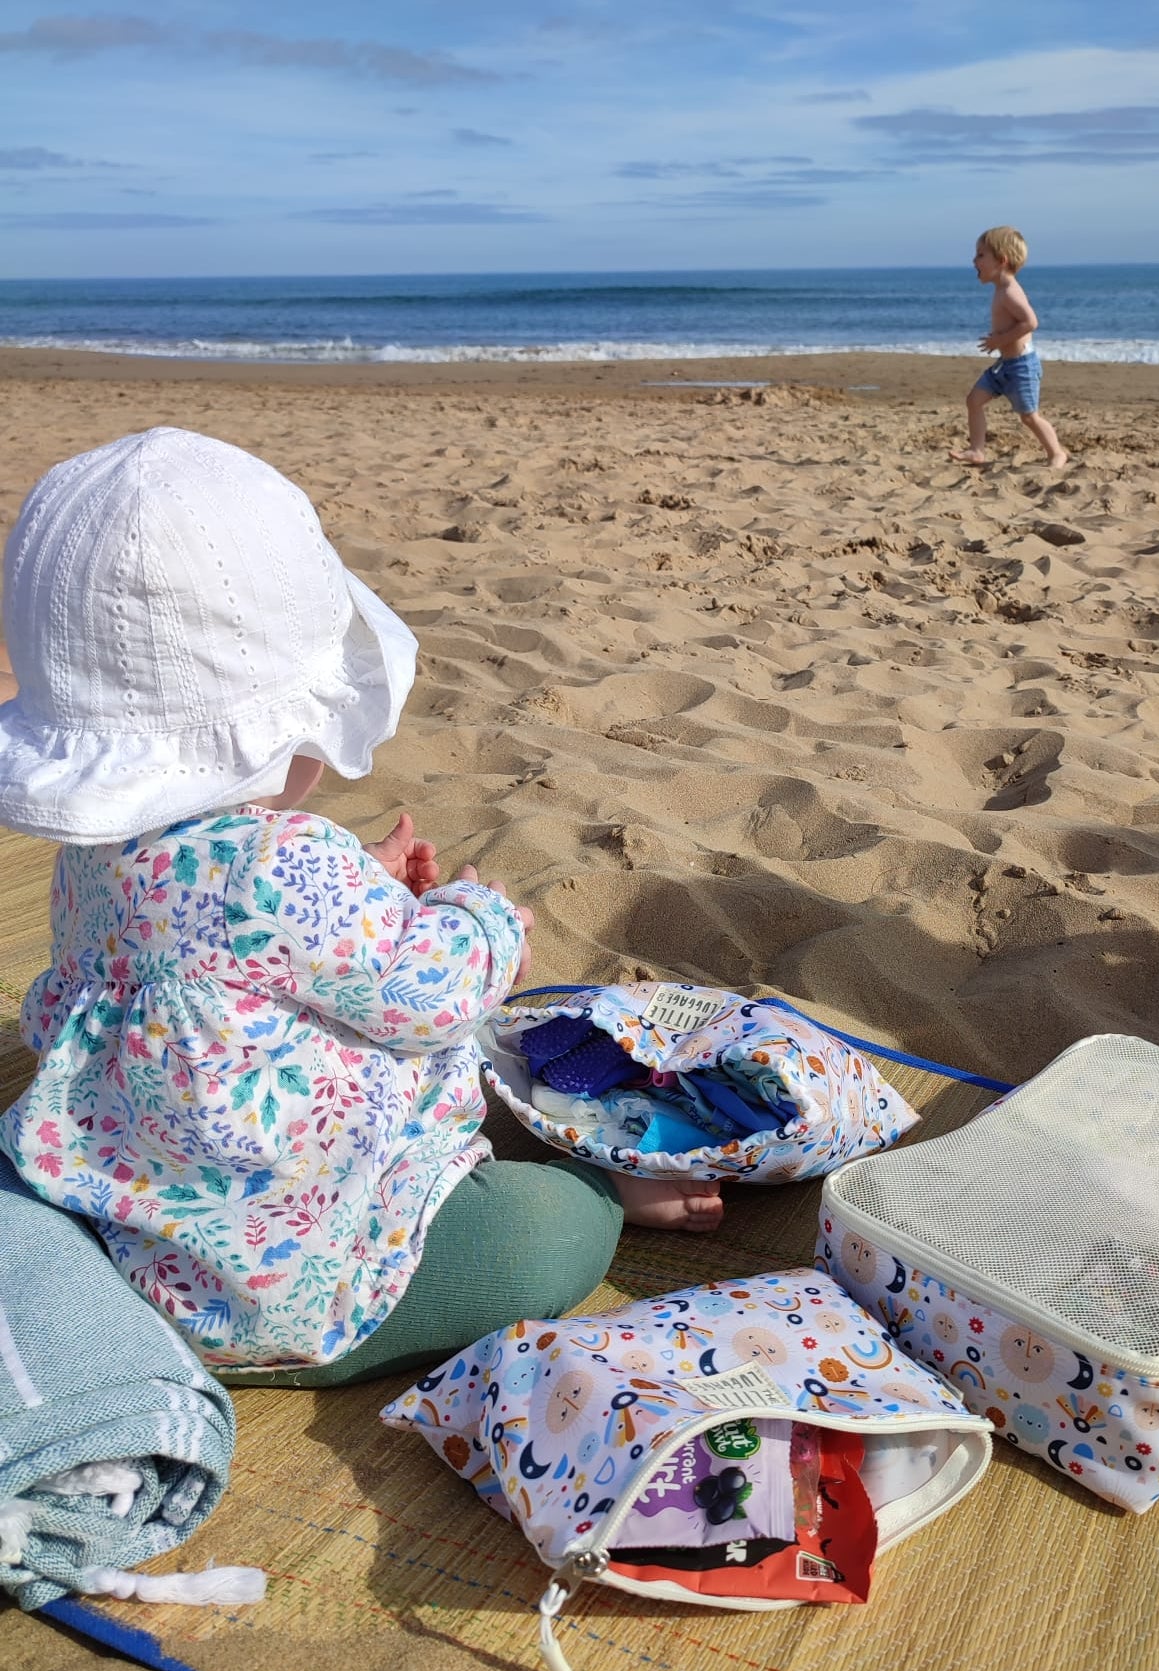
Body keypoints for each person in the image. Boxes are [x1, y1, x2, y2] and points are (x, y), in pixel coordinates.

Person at [0, 427, 722, 1389]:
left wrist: (363, 887)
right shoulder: (277, 862)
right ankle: (596, 1185)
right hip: (285, 1279)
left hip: (133, 1219)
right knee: (547, 1237)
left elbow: (229, 952)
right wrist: (480, 916)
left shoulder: (96, 851)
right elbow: (434, 993)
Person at [949, 226, 1068, 470]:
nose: (974, 261)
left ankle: (1057, 453)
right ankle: (977, 450)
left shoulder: (1010, 293)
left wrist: (1000, 340)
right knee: (974, 401)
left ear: (1001, 261)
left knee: (1029, 416)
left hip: (1022, 366)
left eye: (981, 255)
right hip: (1004, 366)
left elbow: (1031, 322)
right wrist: (1001, 342)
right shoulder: (1000, 290)